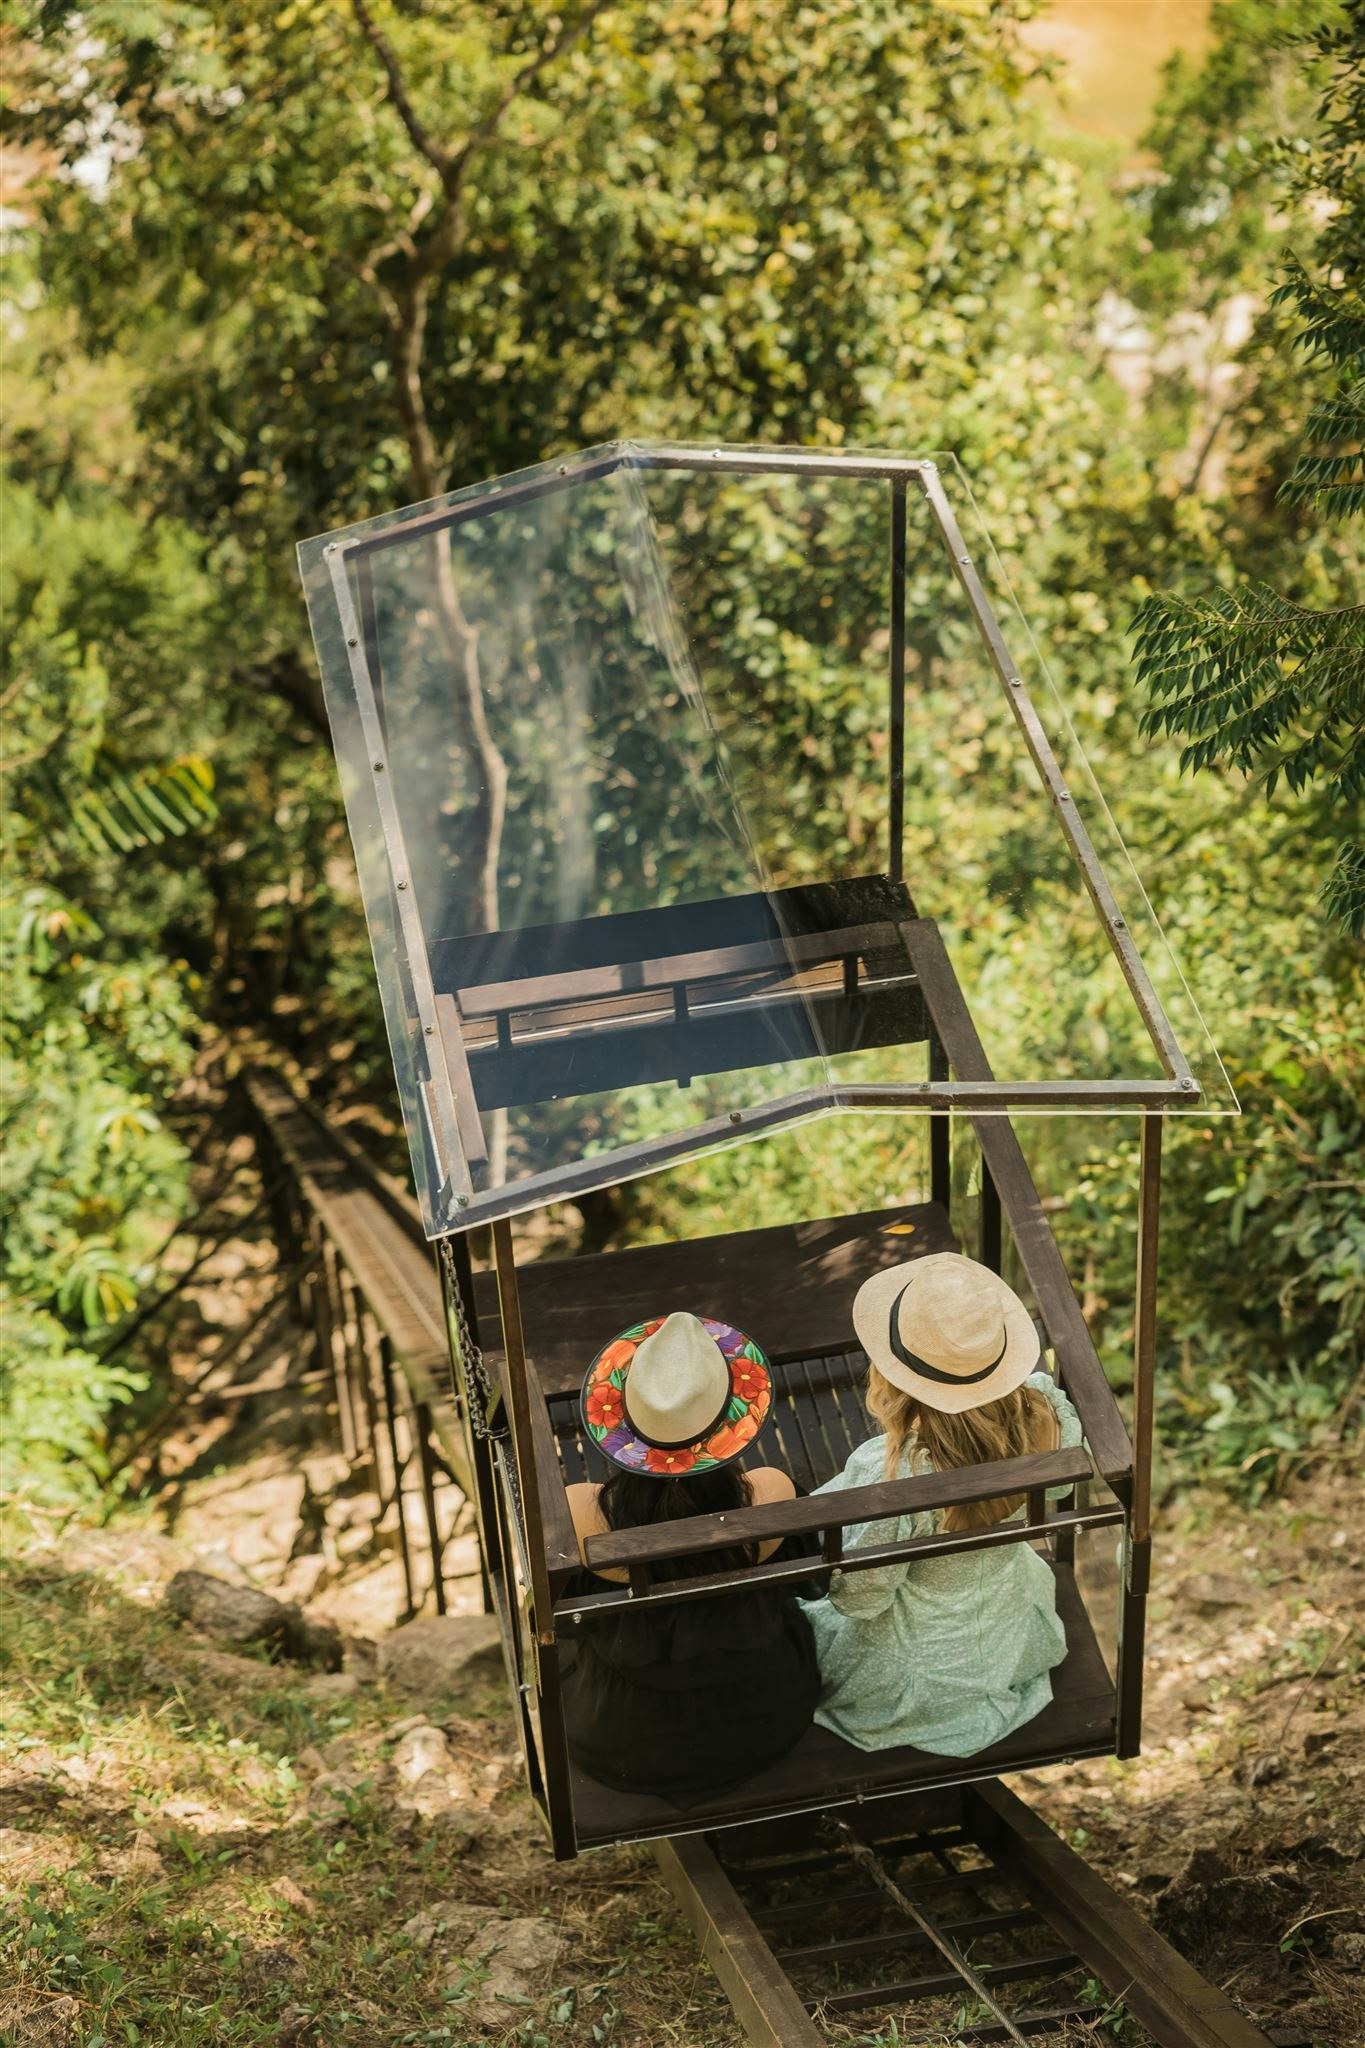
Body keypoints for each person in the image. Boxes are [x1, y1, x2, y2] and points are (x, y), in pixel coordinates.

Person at [801, 1252, 1083, 1758]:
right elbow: (1059, 1490)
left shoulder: (893, 1471)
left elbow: (861, 1599)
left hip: (917, 1673)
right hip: (1007, 1636)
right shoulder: (1048, 1415)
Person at [560, 1310, 819, 1799]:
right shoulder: (773, 1492)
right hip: (767, 1722)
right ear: (733, 1422)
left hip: (621, 1745)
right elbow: (811, 1587)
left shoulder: (579, 1511)